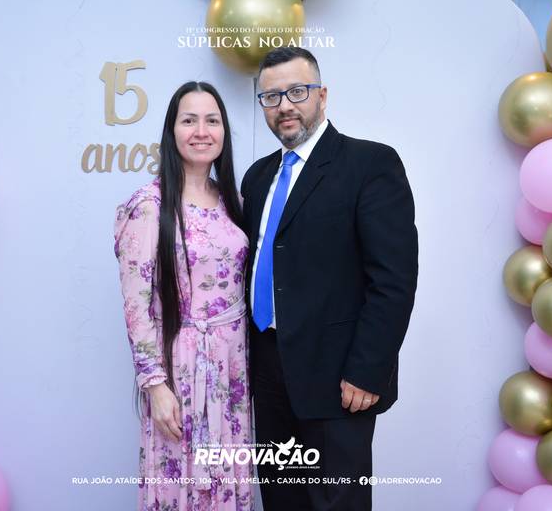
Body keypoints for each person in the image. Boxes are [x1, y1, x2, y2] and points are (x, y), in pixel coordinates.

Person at [240, 47, 419, 510]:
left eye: (297, 92)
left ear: (322, 95)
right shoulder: (257, 178)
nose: (284, 106)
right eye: (271, 96)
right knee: (281, 500)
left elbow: (394, 280)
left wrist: (367, 370)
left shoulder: (370, 164)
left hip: (339, 378)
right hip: (268, 370)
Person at [114, 81, 253, 510]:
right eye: (189, 120)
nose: (201, 131)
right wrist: (156, 387)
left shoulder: (232, 200)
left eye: (212, 120)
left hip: (232, 367)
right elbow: (136, 306)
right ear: (171, 130)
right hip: (180, 370)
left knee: (228, 479)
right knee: (182, 479)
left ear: (224, 131)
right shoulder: (149, 205)